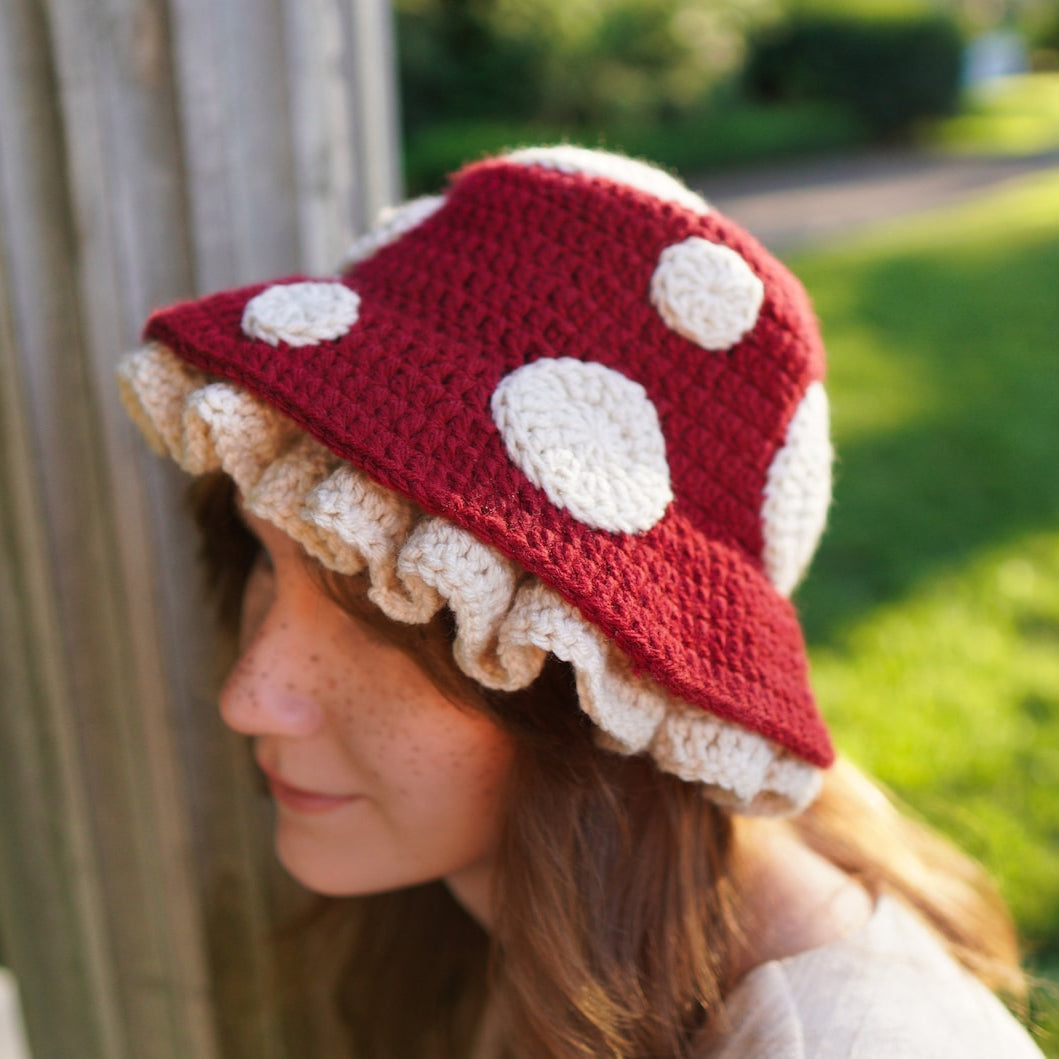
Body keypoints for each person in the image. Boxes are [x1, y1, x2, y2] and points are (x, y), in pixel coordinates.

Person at [117, 146, 1043, 1057]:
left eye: (384, 612)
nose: (246, 695)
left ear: (605, 679)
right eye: (264, 563)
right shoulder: (507, 923)